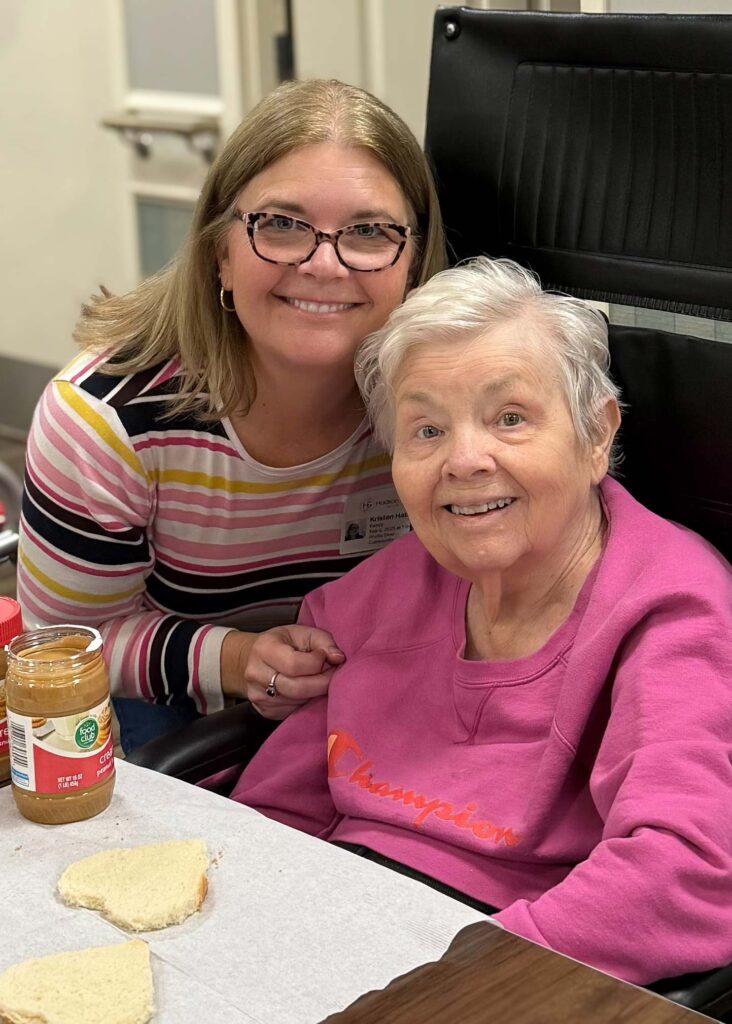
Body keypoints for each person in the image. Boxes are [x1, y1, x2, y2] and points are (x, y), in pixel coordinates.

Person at [232, 257, 732, 985]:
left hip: (511, 965)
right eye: (427, 429)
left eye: (509, 418)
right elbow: (275, 817)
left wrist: (459, 984)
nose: (465, 460)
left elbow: (686, 873)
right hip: (333, 931)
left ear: (596, 435)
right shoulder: (377, 595)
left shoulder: (672, 607)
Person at [16, 79, 445, 753]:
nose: (323, 264)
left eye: (368, 232)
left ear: (413, 265)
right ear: (220, 252)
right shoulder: (104, 422)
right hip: (168, 705)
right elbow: (65, 652)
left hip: (382, 686)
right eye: (281, 225)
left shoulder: (445, 404)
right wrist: (240, 660)